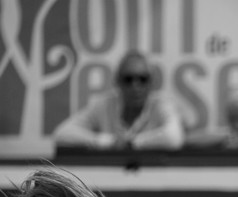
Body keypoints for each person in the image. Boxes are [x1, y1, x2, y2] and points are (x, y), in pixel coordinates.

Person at [53, 50, 184, 151]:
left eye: (142, 79)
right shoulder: (103, 105)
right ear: (117, 82)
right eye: (128, 79)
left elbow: (173, 138)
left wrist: (131, 143)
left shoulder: (162, 104)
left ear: (151, 83)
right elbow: (62, 134)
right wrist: (107, 142)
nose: (135, 86)